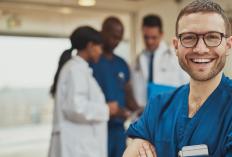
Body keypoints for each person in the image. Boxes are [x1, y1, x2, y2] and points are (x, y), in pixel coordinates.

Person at [123, 0, 232, 156]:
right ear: (176, 46)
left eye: (212, 37)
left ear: (229, 45)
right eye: (189, 37)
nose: (200, 49)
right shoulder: (159, 105)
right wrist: (138, 142)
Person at [48, 26, 116, 157]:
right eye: (99, 47)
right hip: (76, 147)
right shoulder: (75, 70)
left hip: (78, 145)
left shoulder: (79, 69)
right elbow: (75, 107)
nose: (101, 52)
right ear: (90, 46)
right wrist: (106, 109)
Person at [90, 17, 140, 157]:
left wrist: (141, 111)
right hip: (96, 128)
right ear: (102, 32)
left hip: (118, 130)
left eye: (119, 38)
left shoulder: (122, 64)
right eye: (113, 37)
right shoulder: (91, 62)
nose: (116, 41)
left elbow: (128, 96)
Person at [132, 14, 188, 107]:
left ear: (161, 34)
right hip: (144, 113)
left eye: (154, 37)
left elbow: (187, 87)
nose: (150, 41)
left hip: (170, 111)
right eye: (146, 37)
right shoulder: (137, 61)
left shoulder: (175, 57)